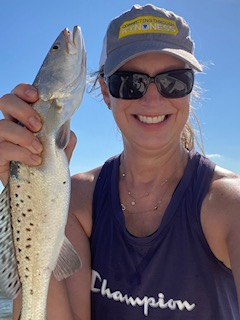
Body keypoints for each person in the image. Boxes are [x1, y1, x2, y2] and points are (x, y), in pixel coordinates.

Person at [0, 3, 240, 320]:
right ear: (105, 91)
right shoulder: (75, 200)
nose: (152, 99)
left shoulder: (229, 205)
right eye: (130, 82)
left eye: (174, 81)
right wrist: (24, 191)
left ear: (190, 90)